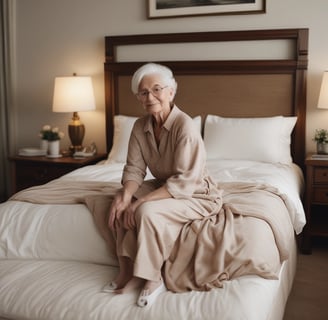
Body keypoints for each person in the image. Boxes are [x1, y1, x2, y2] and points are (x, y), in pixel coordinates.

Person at [104, 62, 221, 307]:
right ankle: (127, 270)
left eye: (157, 89)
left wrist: (143, 200)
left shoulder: (185, 126)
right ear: (138, 97)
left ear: (171, 92)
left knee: (145, 209)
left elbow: (184, 181)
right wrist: (126, 196)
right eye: (144, 92)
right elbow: (135, 169)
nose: (150, 97)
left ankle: (152, 277)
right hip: (165, 184)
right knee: (119, 202)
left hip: (196, 193)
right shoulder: (139, 126)